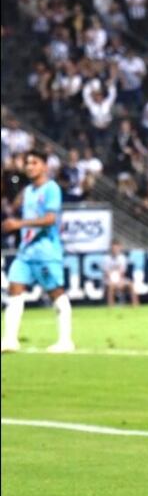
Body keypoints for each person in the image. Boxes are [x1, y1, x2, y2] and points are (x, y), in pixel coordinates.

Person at [2, 149, 75, 353]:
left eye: (34, 163)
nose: (29, 166)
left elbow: (50, 219)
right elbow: (15, 207)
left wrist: (19, 224)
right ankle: (9, 340)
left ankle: (65, 340)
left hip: (46, 250)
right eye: (27, 163)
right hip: (26, 251)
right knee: (14, 289)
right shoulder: (29, 190)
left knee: (56, 292)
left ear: (44, 165)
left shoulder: (51, 189)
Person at [103, 240, 139, 307]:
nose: (115, 250)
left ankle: (135, 305)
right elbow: (107, 272)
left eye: (116, 248)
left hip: (120, 279)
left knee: (131, 285)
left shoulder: (122, 258)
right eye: (113, 248)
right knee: (111, 286)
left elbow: (122, 271)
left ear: (119, 248)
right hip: (109, 280)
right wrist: (114, 280)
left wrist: (119, 281)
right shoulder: (106, 258)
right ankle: (111, 306)